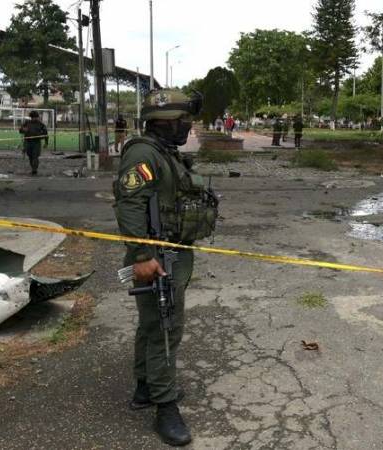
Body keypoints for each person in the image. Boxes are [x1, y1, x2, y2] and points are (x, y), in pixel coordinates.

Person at [114, 89, 215, 447]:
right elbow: (129, 205)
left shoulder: (161, 153)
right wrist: (143, 256)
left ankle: (145, 387)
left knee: (153, 324)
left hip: (168, 252)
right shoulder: (143, 154)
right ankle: (165, 406)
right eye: (184, 121)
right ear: (165, 122)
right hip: (157, 257)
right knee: (166, 328)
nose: (188, 127)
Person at [19, 111, 49, 175]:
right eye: (33, 117)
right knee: (30, 156)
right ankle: (33, 168)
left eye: (36, 117)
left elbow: (46, 133)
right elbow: (20, 130)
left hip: (36, 143)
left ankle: (34, 170)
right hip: (27, 142)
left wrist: (46, 142)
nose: (35, 119)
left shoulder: (41, 124)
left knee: (35, 156)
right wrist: (23, 129)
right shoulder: (27, 123)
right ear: (31, 117)